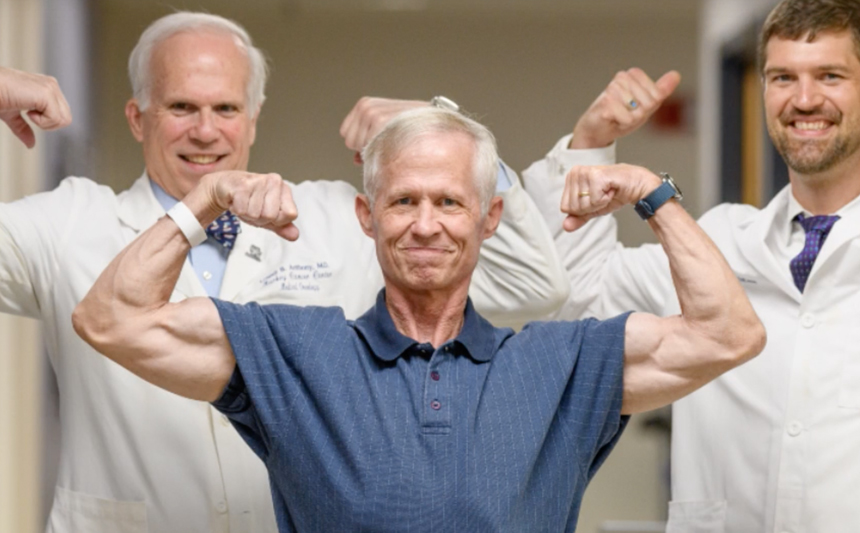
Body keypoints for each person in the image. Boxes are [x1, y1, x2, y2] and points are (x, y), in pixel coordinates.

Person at [0, 12, 569, 533]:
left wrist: (437, 125)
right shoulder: (69, 222)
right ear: (136, 118)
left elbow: (532, 282)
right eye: (181, 108)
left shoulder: (334, 218)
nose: (205, 131)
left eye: (225, 109)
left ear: (252, 119)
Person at [72, 106, 765, 533]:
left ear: (489, 218)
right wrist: (203, 202)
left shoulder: (562, 363)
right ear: (367, 217)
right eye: (403, 202)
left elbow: (728, 333)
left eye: (450, 203)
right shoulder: (293, 349)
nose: (426, 225)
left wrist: (652, 195)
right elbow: (110, 320)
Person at [522, 0, 860, 531]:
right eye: (782, 77)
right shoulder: (719, 242)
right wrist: (591, 143)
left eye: (831, 75)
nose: (804, 99)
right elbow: (575, 300)